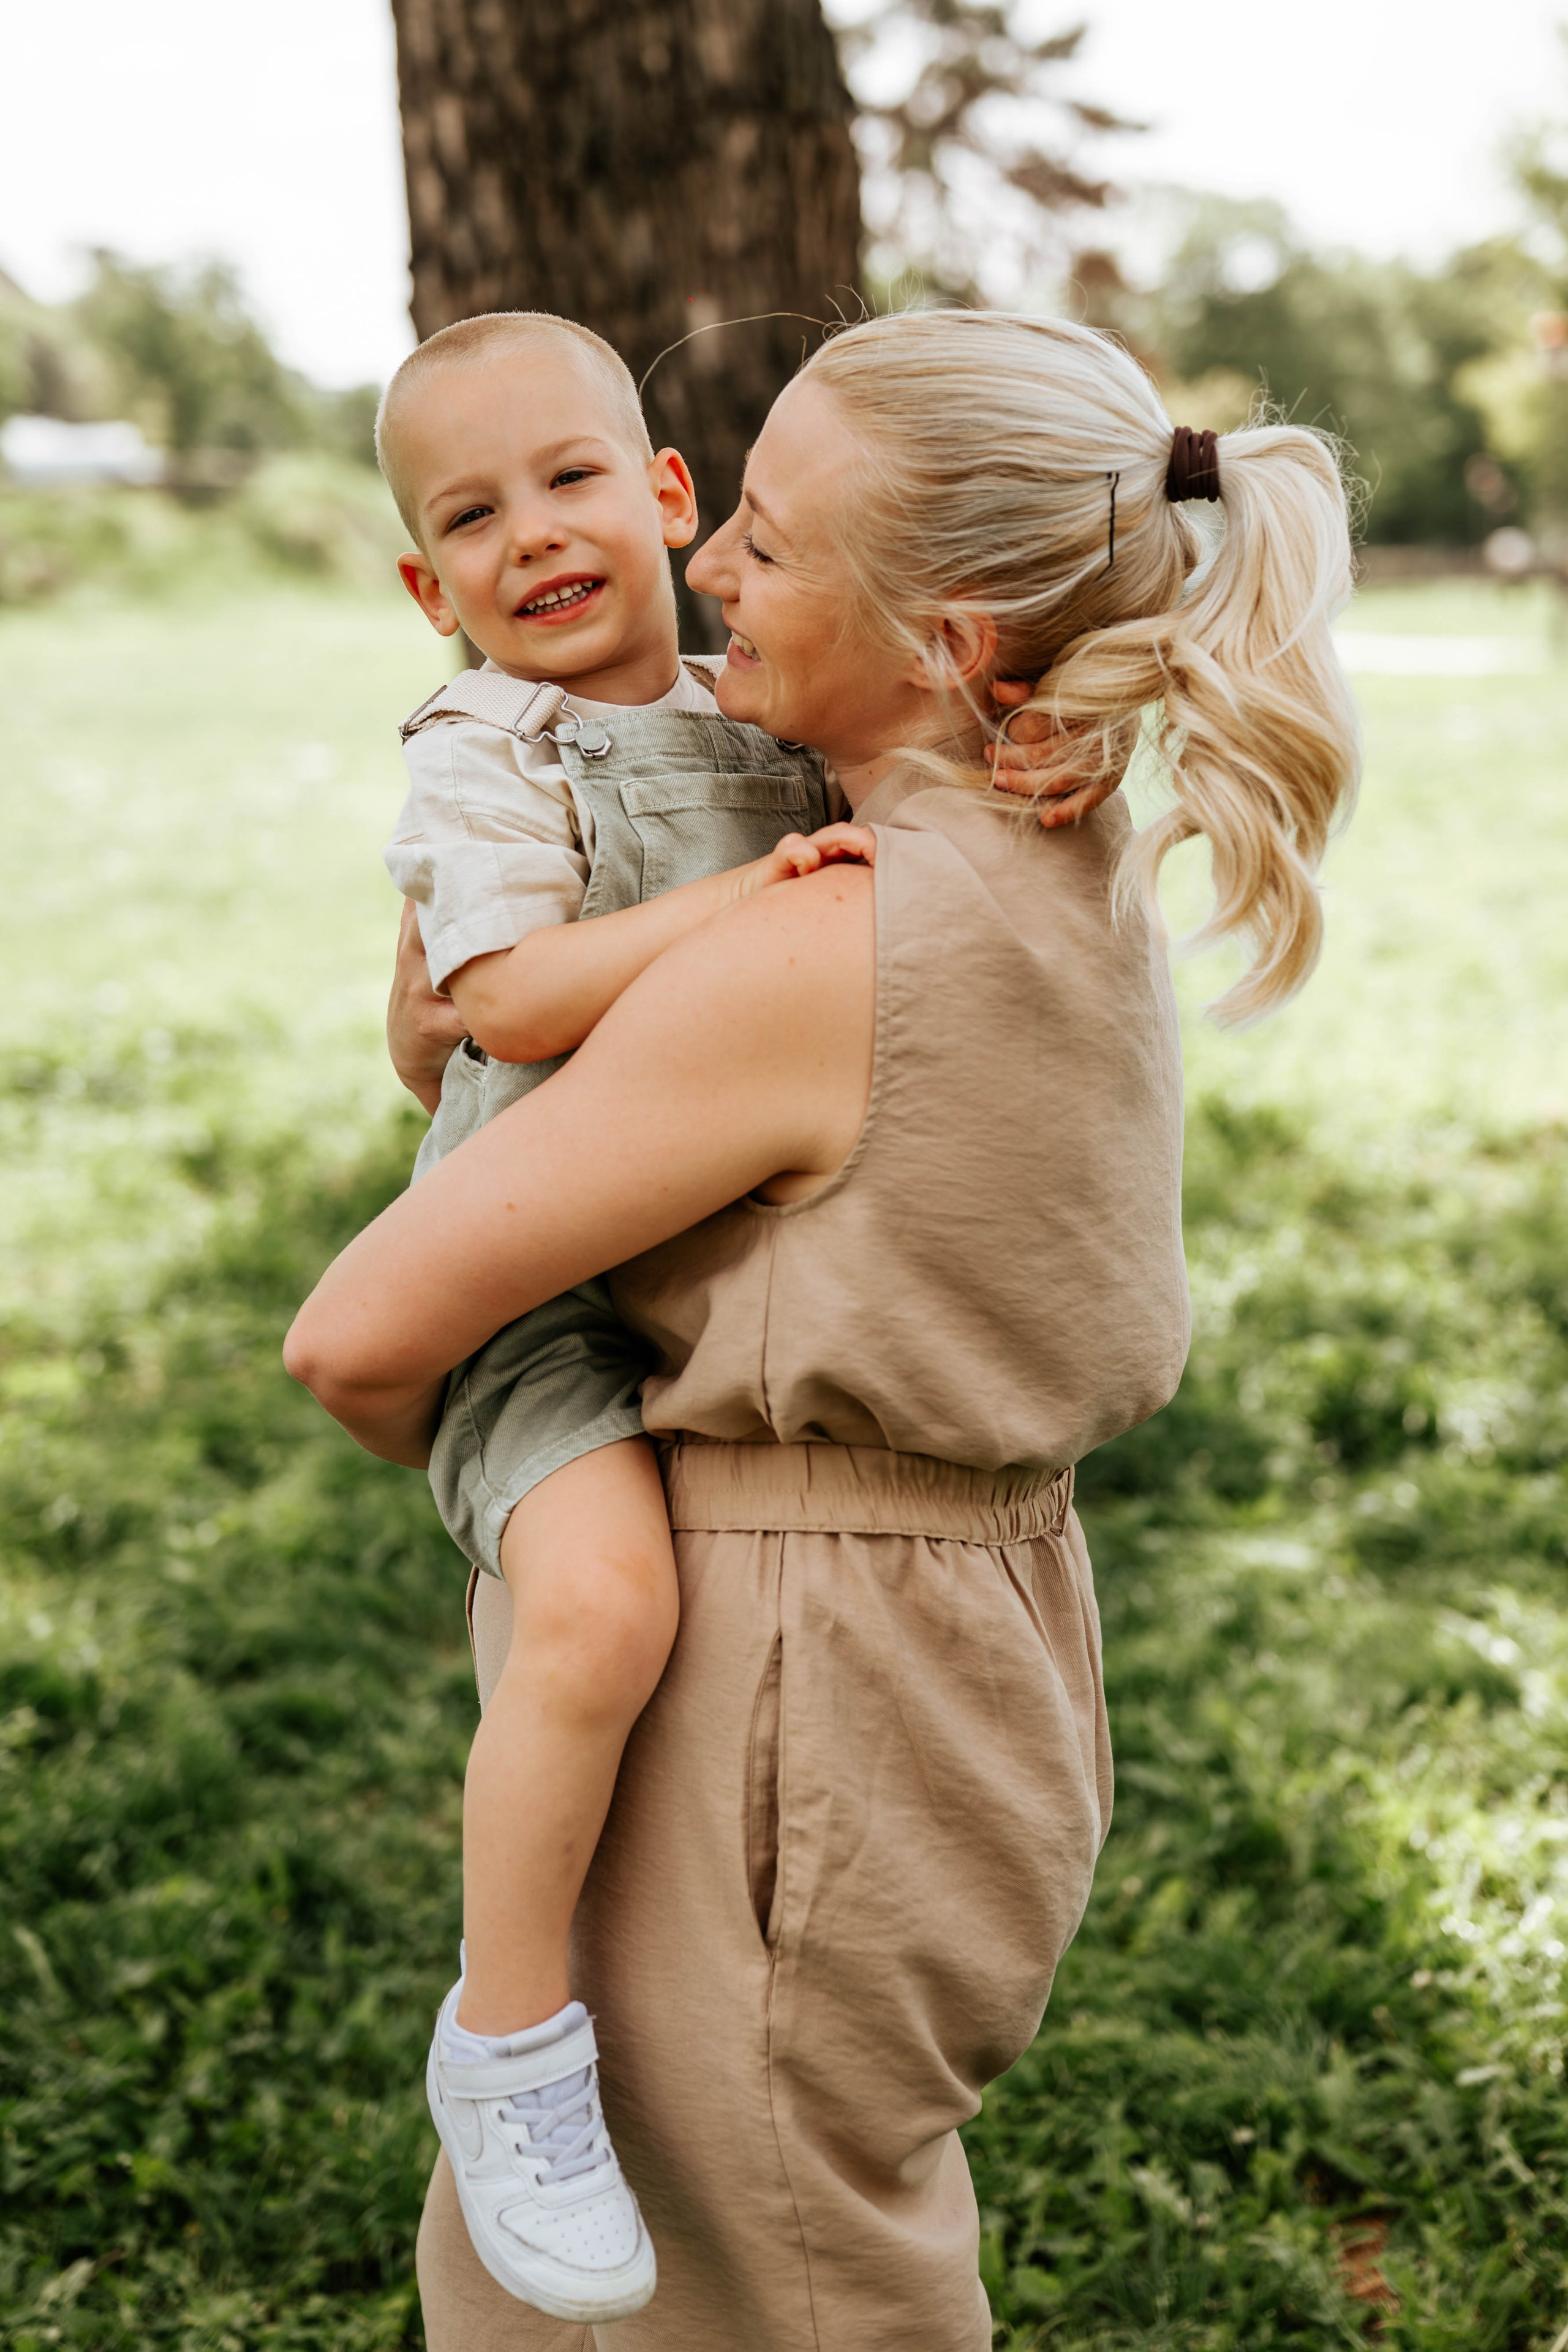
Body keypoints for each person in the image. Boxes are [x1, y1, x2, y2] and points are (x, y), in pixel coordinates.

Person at [286, 307, 1359, 2350]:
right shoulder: (1060, 842)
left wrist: (528, 1477)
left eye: (766, 543)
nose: (706, 569)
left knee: (747, 2268)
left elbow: (355, 1339)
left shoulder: (821, 932)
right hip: (976, 1628)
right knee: (779, 2234)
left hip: (780, 1690)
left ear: (953, 640)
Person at [363, 308, 1083, 2323]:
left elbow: (938, 747)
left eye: (571, 478)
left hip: (675, 1286)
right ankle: (512, 2046)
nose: (532, 534)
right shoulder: (482, 750)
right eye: (471, 519)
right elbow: (498, 1001)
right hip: (532, 1298)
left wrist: (1041, 743)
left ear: (668, 498)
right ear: (427, 590)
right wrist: (747, 904)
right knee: (601, 1614)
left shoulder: (755, 713)